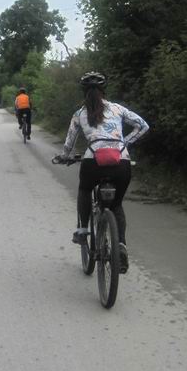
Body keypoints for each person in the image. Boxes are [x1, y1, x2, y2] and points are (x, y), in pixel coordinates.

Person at [58, 71, 149, 272]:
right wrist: (124, 144)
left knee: (84, 189)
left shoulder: (79, 113)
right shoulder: (117, 108)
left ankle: (82, 231)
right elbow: (143, 126)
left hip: (93, 162)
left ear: (84, 92)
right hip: (121, 162)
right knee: (116, 205)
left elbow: (70, 141)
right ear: (103, 90)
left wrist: (65, 156)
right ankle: (121, 245)